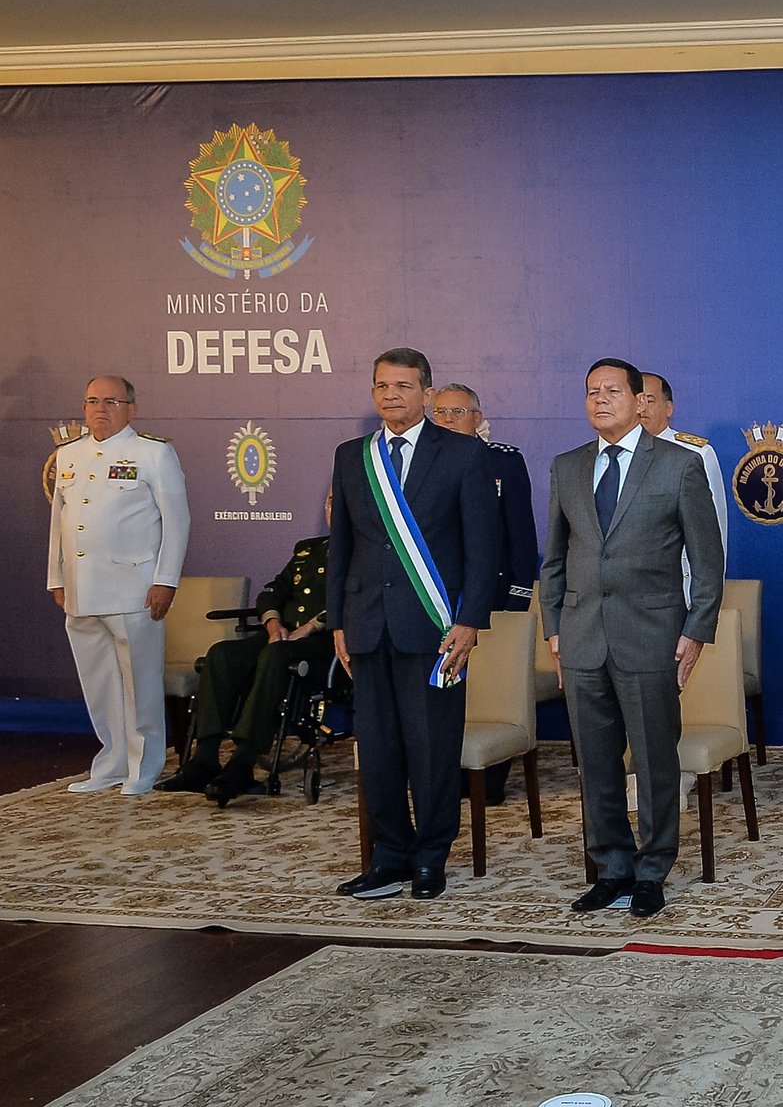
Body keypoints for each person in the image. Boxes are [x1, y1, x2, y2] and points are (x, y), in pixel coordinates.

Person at [540, 358, 726, 918]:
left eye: (612, 391)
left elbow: (708, 562)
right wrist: (553, 628)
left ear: (640, 399)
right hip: (580, 638)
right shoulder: (567, 467)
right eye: (591, 391)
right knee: (594, 763)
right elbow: (554, 559)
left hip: (652, 638)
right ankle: (612, 867)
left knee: (653, 760)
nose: (600, 400)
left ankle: (652, 868)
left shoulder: (678, 465)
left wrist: (694, 635)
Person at [328, 348, 501, 901]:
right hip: (367, 626)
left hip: (434, 627)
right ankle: (390, 857)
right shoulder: (353, 456)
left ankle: (431, 857)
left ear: (427, 393)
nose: (391, 395)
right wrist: (338, 622)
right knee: (377, 750)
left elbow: (483, 548)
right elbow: (343, 547)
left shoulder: (464, 454)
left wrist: (471, 620)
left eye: (404, 385)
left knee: (431, 749)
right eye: (382, 385)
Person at [46, 375, 189, 795]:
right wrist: (57, 577)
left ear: (131, 408)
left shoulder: (152, 453)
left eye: (111, 401)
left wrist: (166, 580)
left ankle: (143, 766)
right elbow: (59, 523)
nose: (99, 409)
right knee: (98, 681)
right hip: (82, 587)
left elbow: (176, 521)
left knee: (139, 681)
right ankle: (110, 761)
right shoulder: (69, 455)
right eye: (92, 400)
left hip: (134, 585)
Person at [157, 495, 333, 803]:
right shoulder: (308, 549)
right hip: (281, 635)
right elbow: (272, 591)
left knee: (274, 655)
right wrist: (273, 623)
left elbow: (357, 602)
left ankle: (243, 763)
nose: (334, 507)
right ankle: (205, 758)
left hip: (324, 643)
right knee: (221, 654)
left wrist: (309, 628)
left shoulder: (366, 550)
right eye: (330, 501)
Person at [432, 382, 540, 805]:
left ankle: (489, 773)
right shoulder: (418, 464)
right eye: (439, 412)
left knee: (489, 690)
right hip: (437, 597)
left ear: (478, 418)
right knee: (443, 686)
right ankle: (444, 766)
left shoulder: (503, 462)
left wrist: (515, 599)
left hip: (492, 599)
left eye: (457, 412)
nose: (447, 420)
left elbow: (521, 536)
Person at [637, 371, 729, 607]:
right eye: (636, 400)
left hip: (677, 594)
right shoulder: (610, 457)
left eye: (650, 400)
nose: (642, 408)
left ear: (669, 408)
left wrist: (697, 599)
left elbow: (713, 536)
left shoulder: (696, 454)